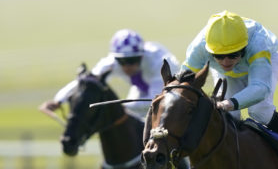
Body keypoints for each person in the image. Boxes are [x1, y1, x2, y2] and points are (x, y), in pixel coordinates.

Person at [180, 10, 278, 169]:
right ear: (209, 50)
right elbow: (182, 81)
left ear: (244, 47)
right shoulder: (199, 47)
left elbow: (260, 88)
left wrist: (230, 102)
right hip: (227, 75)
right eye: (218, 56)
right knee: (226, 117)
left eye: (233, 54)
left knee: (260, 111)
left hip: (262, 64)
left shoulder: (258, 43)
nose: (226, 61)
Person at [41, 29, 180, 120]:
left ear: (142, 55)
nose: (127, 66)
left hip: (172, 93)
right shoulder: (112, 63)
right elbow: (87, 80)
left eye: (133, 60)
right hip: (142, 88)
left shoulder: (157, 62)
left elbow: (154, 101)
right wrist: (59, 100)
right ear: (115, 58)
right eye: (122, 61)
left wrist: (117, 107)